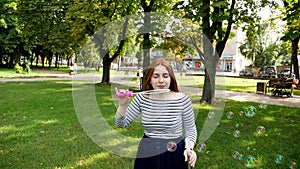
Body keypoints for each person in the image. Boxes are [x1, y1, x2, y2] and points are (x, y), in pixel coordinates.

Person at [115, 58, 197, 169]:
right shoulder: (141, 98)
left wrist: (189, 148)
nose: (161, 80)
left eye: (165, 76)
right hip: (147, 152)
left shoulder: (183, 99)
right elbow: (121, 124)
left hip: (175, 154)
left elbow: (190, 129)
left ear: (171, 78)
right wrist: (122, 105)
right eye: (156, 76)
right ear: (149, 79)